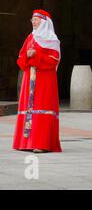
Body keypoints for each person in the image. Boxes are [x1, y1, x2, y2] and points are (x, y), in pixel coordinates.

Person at [13, 9, 62, 153]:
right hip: (29, 78)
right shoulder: (30, 38)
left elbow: (54, 61)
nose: (33, 22)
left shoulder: (52, 40)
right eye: (32, 19)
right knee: (28, 108)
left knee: (42, 106)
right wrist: (27, 56)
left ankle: (42, 144)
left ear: (44, 22)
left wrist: (36, 55)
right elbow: (21, 59)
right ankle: (26, 143)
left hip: (45, 79)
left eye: (36, 19)